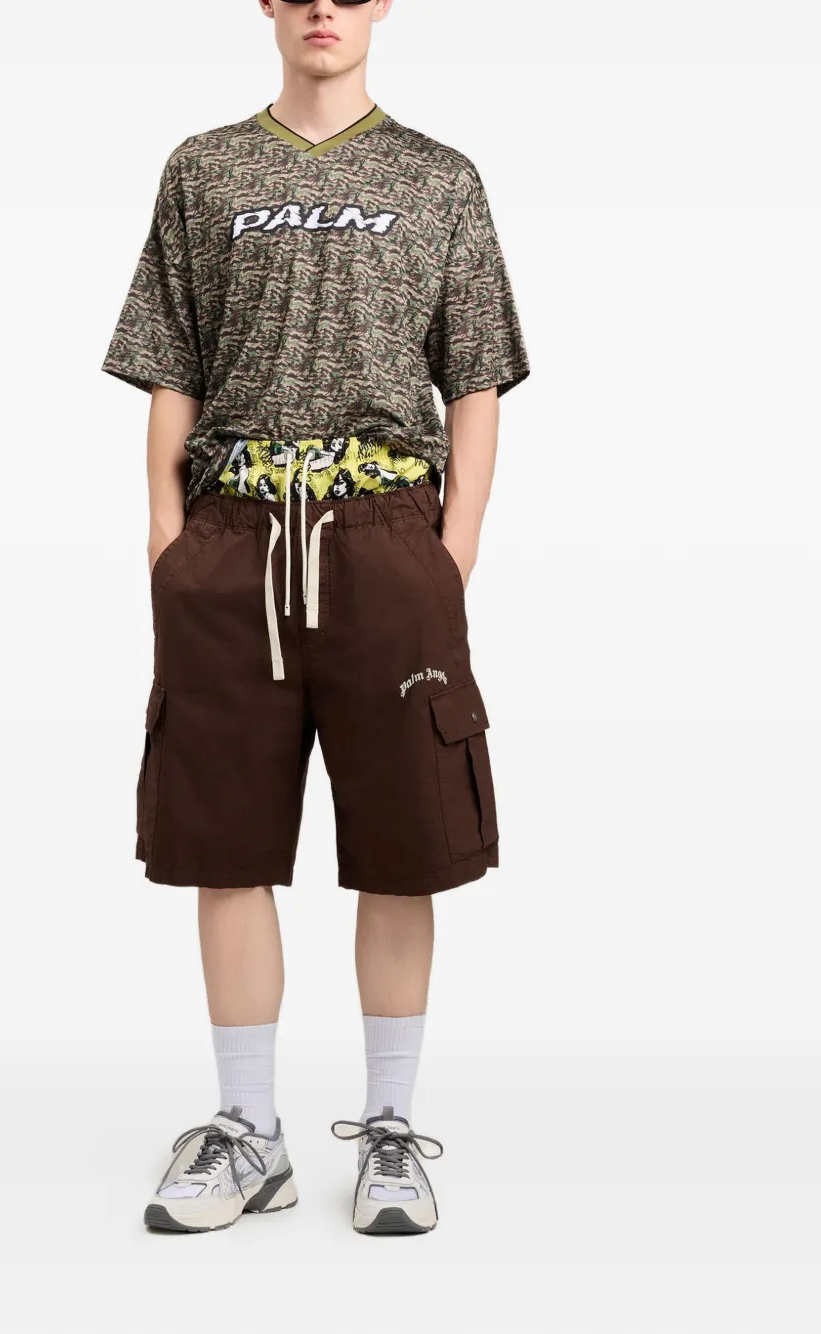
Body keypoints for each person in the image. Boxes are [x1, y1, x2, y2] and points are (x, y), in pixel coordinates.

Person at [101, 0, 529, 1236]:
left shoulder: (440, 177)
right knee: (223, 840)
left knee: (405, 841)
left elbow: (476, 375)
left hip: (386, 537)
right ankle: (249, 1131)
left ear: (382, 2)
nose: (321, 7)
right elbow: (172, 362)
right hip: (231, 538)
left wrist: (449, 552)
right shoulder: (205, 168)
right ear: (267, 5)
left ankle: (390, 1131)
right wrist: (168, 543)